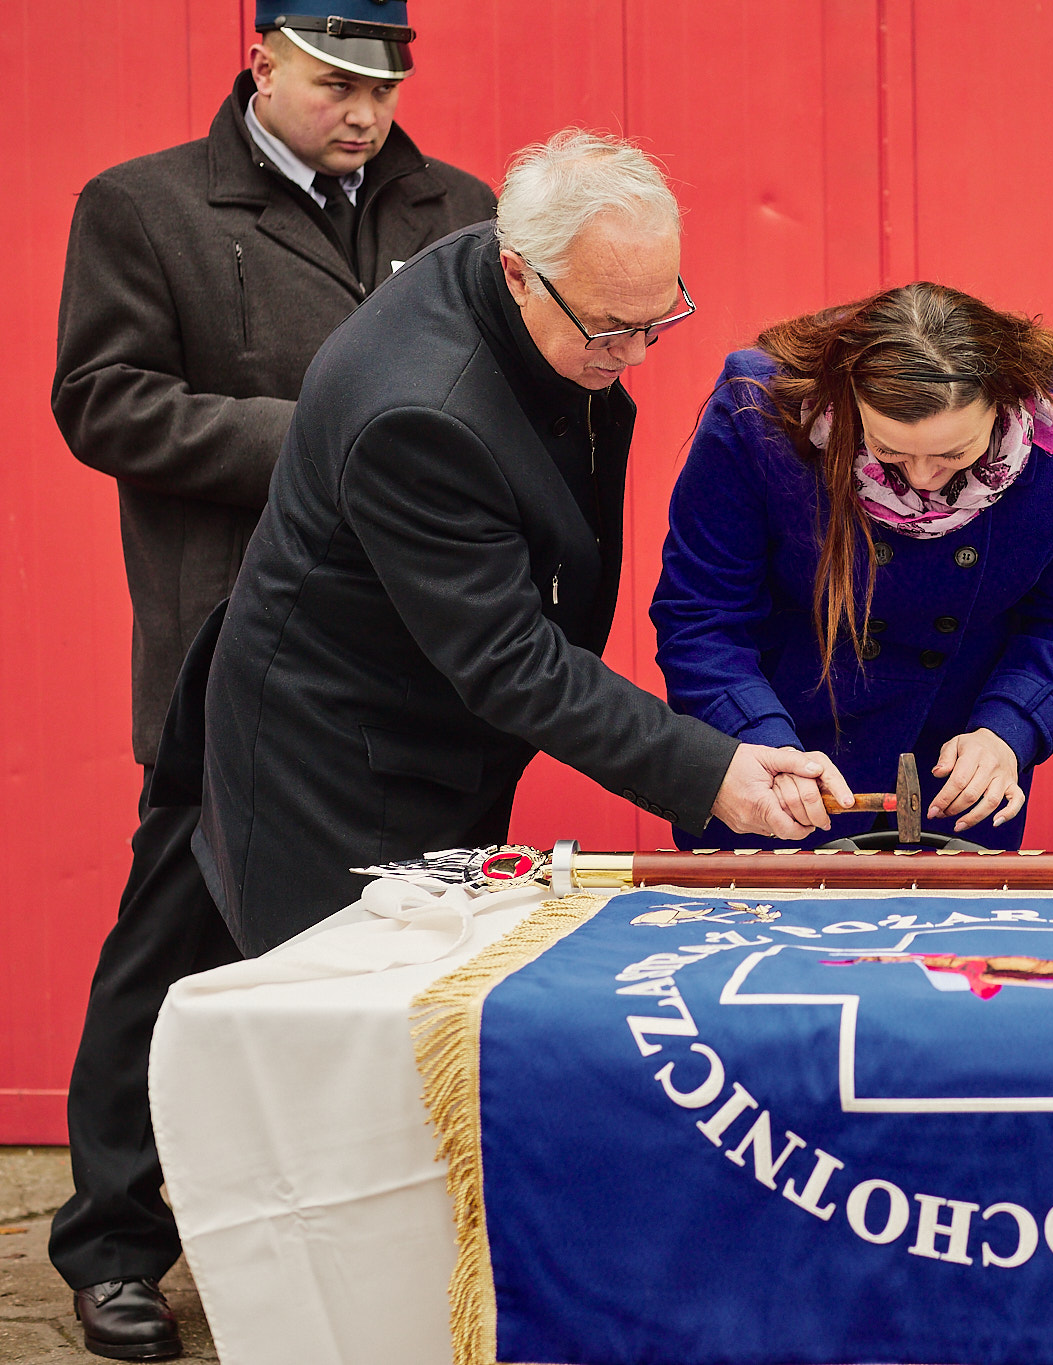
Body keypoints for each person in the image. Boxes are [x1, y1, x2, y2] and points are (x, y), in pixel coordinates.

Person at [47, 4, 496, 1354]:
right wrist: (320, 439)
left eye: (385, 87)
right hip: (232, 654)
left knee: (406, 948)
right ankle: (113, 1244)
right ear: (261, 64)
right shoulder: (144, 206)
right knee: (176, 939)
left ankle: (394, 1238)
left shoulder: (463, 211)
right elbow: (103, 401)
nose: (364, 112)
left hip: (417, 656)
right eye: (334, 84)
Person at [195, 129, 852, 954]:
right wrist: (709, 771)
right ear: (518, 273)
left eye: (658, 319)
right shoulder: (421, 418)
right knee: (362, 1000)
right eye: (611, 329)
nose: (636, 354)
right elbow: (508, 657)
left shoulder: (533, 272)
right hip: (343, 769)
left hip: (440, 728)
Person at [651, 283, 1053, 848]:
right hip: (780, 762)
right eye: (890, 452)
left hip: (956, 773)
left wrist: (1009, 728)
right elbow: (701, 613)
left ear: (1004, 403)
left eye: (954, 454)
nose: (923, 478)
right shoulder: (761, 407)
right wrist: (757, 735)